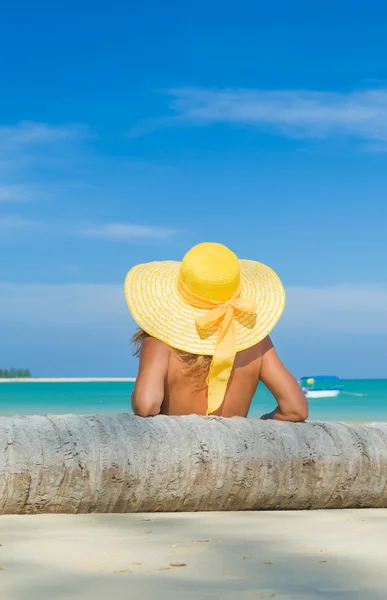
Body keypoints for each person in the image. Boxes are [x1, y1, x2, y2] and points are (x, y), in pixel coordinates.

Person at [125, 242, 308, 422]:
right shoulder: (258, 344)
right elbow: (295, 409)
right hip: (235, 449)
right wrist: (263, 421)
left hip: (181, 449)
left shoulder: (159, 343)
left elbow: (146, 405)